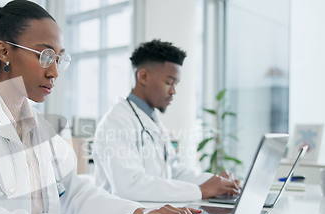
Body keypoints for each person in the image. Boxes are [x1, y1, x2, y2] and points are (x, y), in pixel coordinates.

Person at [0, 1, 201, 214]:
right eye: (45, 56)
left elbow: (73, 192)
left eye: (59, 58)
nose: (54, 72)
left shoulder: (39, 124)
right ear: (4, 52)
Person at [93, 39, 240, 202]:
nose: (173, 91)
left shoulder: (151, 119)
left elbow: (173, 172)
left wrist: (214, 181)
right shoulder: (116, 122)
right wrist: (200, 190)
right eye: (169, 82)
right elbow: (129, 185)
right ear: (143, 76)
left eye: (175, 84)